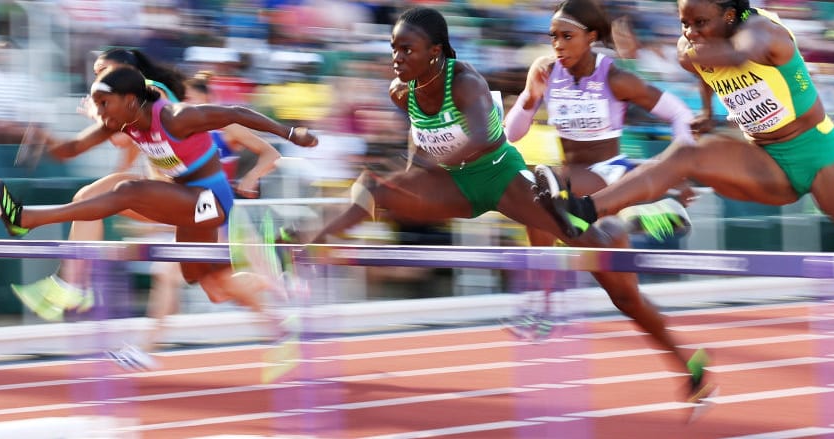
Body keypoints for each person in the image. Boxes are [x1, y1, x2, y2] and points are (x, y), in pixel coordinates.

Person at [303, 6, 715, 406]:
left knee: (616, 285)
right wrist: (416, 175)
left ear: (435, 51)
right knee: (375, 188)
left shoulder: (466, 81)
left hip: (519, 177)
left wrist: (684, 153)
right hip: (466, 186)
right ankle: (306, 249)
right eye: (393, 48)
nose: (396, 58)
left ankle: (677, 339)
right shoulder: (404, 91)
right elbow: (433, 134)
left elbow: (484, 136)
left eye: (406, 49)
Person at [533, 0, 834, 288]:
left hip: (822, 159)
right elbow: (705, 69)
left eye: (700, 23)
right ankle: (586, 209)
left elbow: (734, 57)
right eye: (684, 23)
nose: (690, 32)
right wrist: (708, 111)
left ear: (731, 15)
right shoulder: (690, 49)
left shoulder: (764, 32)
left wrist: (676, 53)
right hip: (763, 159)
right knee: (688, 154)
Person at [0, 66, 317, 355]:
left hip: (211, 203)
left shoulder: (177, 117)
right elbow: (72, 149)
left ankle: (28, 219)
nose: (99, 113)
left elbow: (236, 112)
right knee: (214, 287)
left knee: (127, 191)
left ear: (132, 100)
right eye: (97, 105)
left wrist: (292, 134)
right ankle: (275, 264)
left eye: (104, 104)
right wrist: (42, 137)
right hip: (182, 199)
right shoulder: (123, 122)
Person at [502, 0, 698, 337]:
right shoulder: (545, 72)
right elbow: (513, 133)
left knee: (543, 189)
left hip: (611, 172)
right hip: (572, 178)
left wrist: (682, 167)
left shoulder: (616, 78)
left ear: (591, 36)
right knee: (622, 292)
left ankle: (544, 304)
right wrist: (529, 101)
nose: (558, 45)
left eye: (567, 36)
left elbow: (680, 114)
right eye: (553, 37)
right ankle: (634, 223)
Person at [10, 48, 191, 322]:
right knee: (88, 198)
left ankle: (73, 285)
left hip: (187, 197)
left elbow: (128, 128)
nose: (98, 77)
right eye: (95, 73)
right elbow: (124, 146)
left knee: (220, 288)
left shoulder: (154, 90)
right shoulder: (131, 107)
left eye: (103, 71)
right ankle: (73, 286)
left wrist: (99, 116)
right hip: (164, 195)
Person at [141, 70, 285, 360]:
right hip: (190, 213)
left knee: (169, 275)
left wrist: (251, 177)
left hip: (219, 216)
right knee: (219, 291)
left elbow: (270, 154)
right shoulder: (171, 135)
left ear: (206, 101)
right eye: (181, 100)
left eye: (191, 100)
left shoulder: (226, 129)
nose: (183, 106)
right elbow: (160, 179)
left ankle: (145, 348)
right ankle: (276, 320)